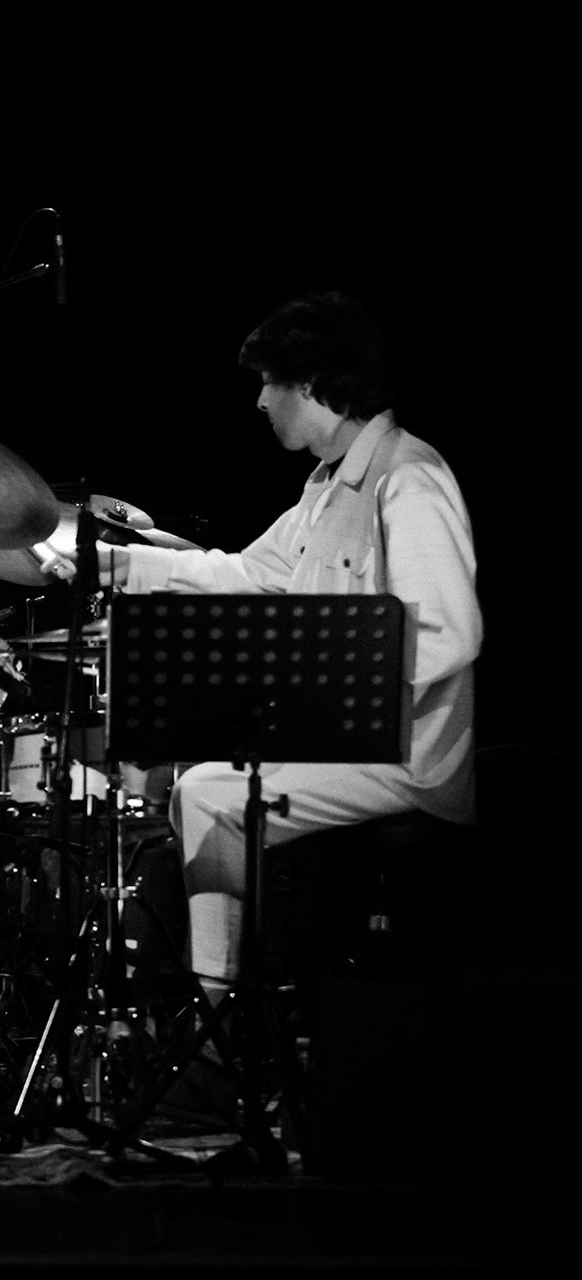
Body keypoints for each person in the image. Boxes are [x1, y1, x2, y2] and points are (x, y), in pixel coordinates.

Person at [102, 292, 481, 999]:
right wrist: (120, 565)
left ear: (310, 385)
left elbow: (450, 634)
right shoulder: (328, 487)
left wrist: (328, 694)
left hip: (406, 757)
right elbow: (245, 572)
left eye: (268, 383)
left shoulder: (409, 477)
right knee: (201, 783)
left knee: (208, 791)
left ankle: (218, 1028)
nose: (260, 402)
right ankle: (231, 1005)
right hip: (350, 742)